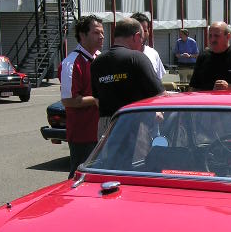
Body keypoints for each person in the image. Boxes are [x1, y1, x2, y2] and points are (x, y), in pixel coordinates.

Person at [91, 17, 164, 124]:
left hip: (107, 126)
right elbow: (160, 95)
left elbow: (97, 99)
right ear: (137, 36)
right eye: (142, 41)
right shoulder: (137, 58)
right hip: (135, 123)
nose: (141, 45)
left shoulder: (96, 62)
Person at [60, 15, 104, 178]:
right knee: (80, 176)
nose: (101, 36)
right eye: (96, 33)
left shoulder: (101, 58)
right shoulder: (71, 63)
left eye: (102, 32)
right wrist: (97, 100)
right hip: (83, 134)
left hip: (103, 131)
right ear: (82, 35)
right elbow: (69, 100)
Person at [189, 22, 231, 91]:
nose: (212, 39)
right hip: (208, 101)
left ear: (228, 36)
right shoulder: (203, 57)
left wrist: (230, 87)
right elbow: (193, 88)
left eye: (216, 36)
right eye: (210, 35)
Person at [133, 13, 167, 82]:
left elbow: (159, 82)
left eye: (145, 31)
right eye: (138, 31)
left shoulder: (153, 53)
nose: (141, 34)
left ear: (149, 31)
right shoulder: (122, 55)